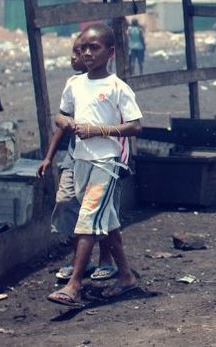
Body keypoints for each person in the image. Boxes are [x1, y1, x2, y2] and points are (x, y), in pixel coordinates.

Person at [47, 24, 141, 307]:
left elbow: (135, 126)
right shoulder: (74, 84)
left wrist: (99, 130)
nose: (87, 53)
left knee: (87, 219)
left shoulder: (117, 87)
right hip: (81, 161)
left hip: (107, 163)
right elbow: (61, 117)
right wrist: (67, 123)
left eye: (95, 47)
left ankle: (74, 285)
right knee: (107, 221)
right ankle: (126, 276)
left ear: (110, 53)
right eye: (83, 48)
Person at [38, 36, 117, 283]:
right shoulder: (73, 85)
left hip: (101, 158)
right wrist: (49, 157)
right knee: (67, 202)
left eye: (82, 50)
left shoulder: (109, 87)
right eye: (77, 50)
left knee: (101, 210)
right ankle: (80, 261)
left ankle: (107, 260)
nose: (76, 56)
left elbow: (128, 125)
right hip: (75, 156)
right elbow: (61, 121)